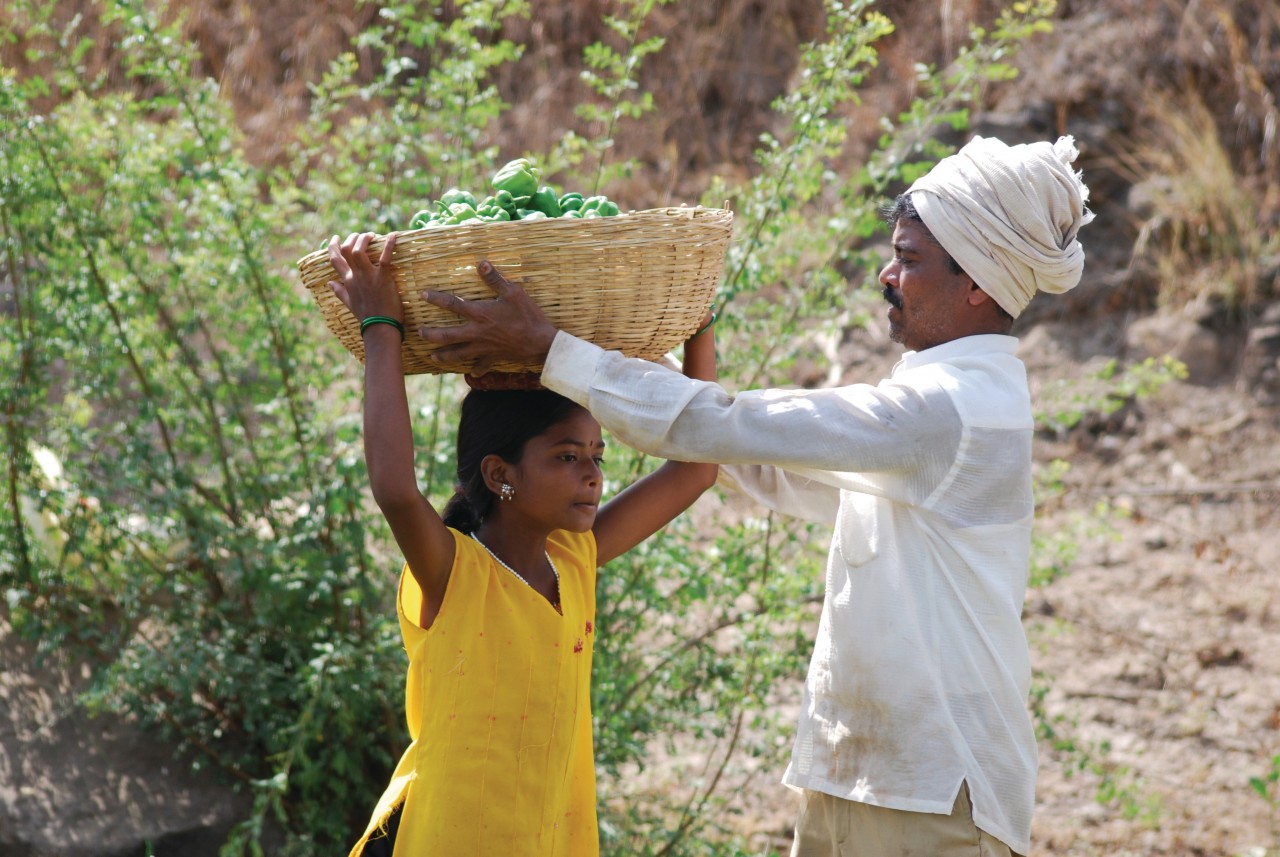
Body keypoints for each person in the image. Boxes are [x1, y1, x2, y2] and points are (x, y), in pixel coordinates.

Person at [413, 135, 1095, 857]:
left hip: (936, 790)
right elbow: (755, 455)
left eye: (910, 259)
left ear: (979, 283)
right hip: (864, 776)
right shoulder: (930, 400)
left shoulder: (953, 410)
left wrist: (561, 351)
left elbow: (733, 427)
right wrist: (612, 354)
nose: (888, 275)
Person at [327, 231, 719, 857]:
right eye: (566, 457)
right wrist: (382, 328)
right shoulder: (457, 573)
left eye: (596, 454)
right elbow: (396, 489)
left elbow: (697, 470)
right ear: (499, 474)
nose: (592, 474)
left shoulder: (573, 561)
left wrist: (699, 325)